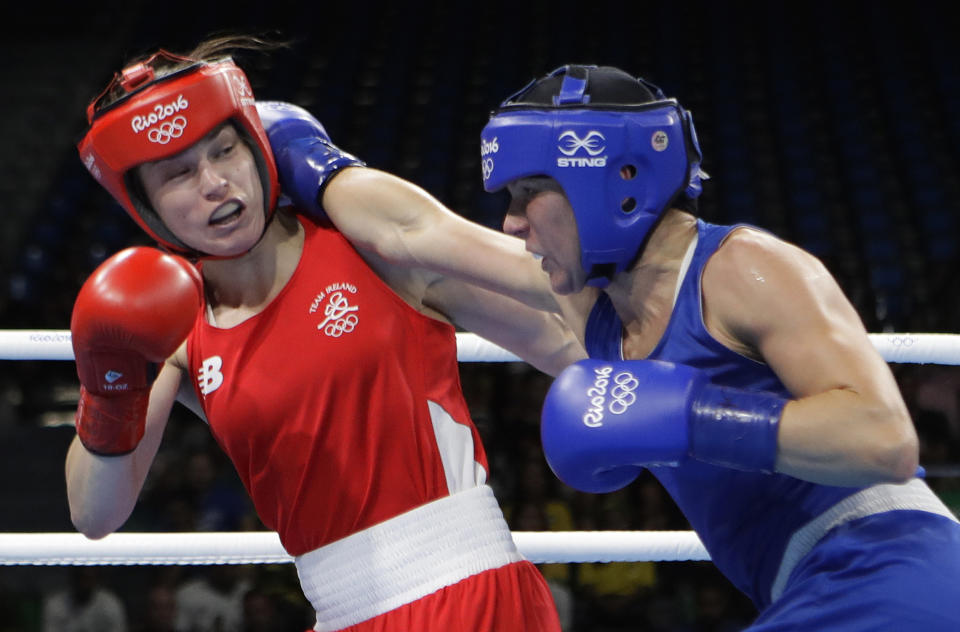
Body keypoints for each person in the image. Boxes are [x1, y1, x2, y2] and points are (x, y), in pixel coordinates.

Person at [65, 36, 587, 631]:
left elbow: (557, 341)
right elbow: (94, 512)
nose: (214, 183)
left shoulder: (366, 245)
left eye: (226, 150)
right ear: (147, 208)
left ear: (260, 149)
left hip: (468, 596)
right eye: (179, 174)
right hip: (338, 612)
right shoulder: (176, 332)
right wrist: (111, 387)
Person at [470, 65, 960, 629]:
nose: (509, 222)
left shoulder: (740, 267)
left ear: (616, 176)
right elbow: (419, 238)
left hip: (889, 564)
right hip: (806, 591)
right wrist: (340, 177)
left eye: (529, 191)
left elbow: (885, 439)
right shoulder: (594, 308)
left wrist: (694, 417)